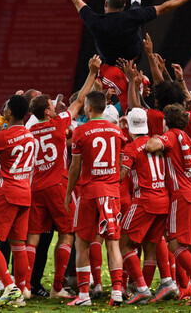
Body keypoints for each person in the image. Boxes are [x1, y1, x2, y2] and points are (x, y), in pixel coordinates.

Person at [52, 0, 191, 113]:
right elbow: (164, 8)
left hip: (110, 63)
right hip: (132, 59)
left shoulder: (95, 21)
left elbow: (77, 0)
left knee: (135, 17)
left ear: (105, 4)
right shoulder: (131, 17)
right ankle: (136, 0)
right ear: (123, 6)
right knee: (136, 17)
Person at [27, 55, 101, 299]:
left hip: (36, 186)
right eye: (51, 103)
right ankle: (57, 288)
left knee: (33, 237)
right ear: (48, 111)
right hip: (57, 185)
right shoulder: (59, 123)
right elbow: (80, 100)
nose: (55, 105)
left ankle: (23, 287)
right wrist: (92, 73)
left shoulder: (31, 130)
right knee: (68, 234)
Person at [146, 104, 191, 306]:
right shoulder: (186, 137)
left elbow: (151, 146)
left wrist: (155, 135)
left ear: (166, 121)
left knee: (174, 242)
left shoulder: (172, 135)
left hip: (182, 194)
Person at [65, 91, 126, 307]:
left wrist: (68, 193)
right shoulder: (117, 132)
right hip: (111, 192)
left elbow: (75, 167)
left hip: (89, 192)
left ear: (88, 108)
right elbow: (120, 161)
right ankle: (117, 291)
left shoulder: (81, 131)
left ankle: (83, 295)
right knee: (113, 243)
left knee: (82, 242)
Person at [0, 95, 36, 307]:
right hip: (24, 193)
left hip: (5, 191)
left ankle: (9, 287)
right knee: (19, 245)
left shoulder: (2, 136)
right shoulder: (30, 137)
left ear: (9, 113)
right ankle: (22, 290)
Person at [118, 108, 169, 304]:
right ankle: (144, 288)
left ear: (128, 126)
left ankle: (141, 288)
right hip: (163, 200)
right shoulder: (157, 142)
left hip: (144, 201)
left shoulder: (131, 148)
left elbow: (122, 175)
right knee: (150, 247)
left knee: (124, 243)